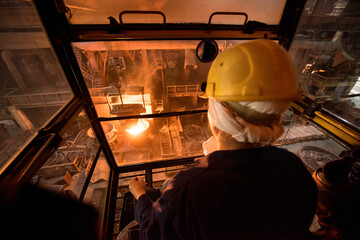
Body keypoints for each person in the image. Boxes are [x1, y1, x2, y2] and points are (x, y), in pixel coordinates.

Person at [128, 39, 318, 240]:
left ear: (217, 115)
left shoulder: (188, 192)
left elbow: (150, 232)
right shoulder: (295, 171)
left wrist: (140, 194)